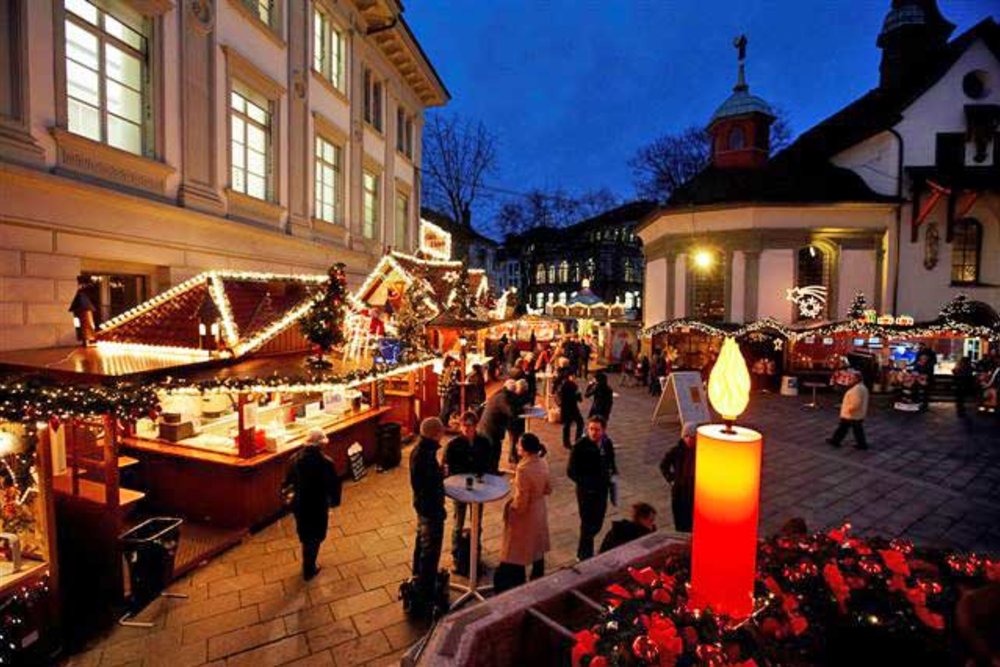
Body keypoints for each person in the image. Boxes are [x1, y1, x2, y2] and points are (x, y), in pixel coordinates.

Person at [494, 433, 551, 593]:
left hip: (526, 515)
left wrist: (510, 509)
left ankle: (511, 583)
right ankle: (537, 578)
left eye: (519, 445)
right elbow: (548, 488)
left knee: (515, 551)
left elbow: (521, 502)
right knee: (537, 548)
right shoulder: (543, 462)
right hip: (539, 509)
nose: (517, 447)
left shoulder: (523, 469)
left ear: (525, 449)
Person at [283, 428, 341, 580]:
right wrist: (335, 501)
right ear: (321, 445)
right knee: (316, 534)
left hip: (300, 503)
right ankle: (309, 567)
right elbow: (333, 484)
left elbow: (287, 482)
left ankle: (307, 563)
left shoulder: (294, 459)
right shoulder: (326, 462)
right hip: (318, 504)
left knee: (305, 533)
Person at [444, 412, 491, 570]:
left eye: (469, 426)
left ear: (475, 426)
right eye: (464, 426)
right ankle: (457, 555)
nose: (466, 429)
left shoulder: (483, 442)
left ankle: (475, 553)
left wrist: (482, 474)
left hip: (478, 487)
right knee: (458, 522)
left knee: (477, 522)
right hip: (460, 489)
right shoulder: (453, 445)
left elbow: (488, 463)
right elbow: (447, 467)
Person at [567, 415, 617, 561]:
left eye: (597, 429)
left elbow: (611, 464)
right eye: (591, 429)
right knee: (587, 524)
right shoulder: (580, 446)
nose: (594, 432)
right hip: (586, 492)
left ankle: (584, 551)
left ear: (604, 430)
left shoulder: (607, 444)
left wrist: (612, 486)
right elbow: (571, 471)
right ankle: (584, 555)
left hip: (601, 490)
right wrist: (586, 483)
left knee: (598, 522)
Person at [410, 417, 447, 609]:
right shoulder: (425, 456)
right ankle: (425, 592)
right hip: (430, 510)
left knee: (422, 545)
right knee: (430, 550)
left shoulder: (421, 451)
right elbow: (429, 485)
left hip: (423, 507)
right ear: (435, 434)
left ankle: (418, 579)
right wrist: (440, 475)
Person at [659, 422, 697, 532]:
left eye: (694, 437)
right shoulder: (676, 451)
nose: (692, 440)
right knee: (680, 518)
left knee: (691, 519)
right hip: (680, 489)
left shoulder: (700, 450)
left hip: (693, 489)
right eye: (690, 437)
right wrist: (671, 479)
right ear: (684, 436)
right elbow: (664, 465)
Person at [479, 380, 515, 473]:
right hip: (491, 427)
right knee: (494, 450)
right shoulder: (503, 397)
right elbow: (510, 411)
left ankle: (492, 470)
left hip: (489, 426)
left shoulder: (499, 395)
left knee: (494, 449)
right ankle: (491, 471)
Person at [827, 372, 870, 450]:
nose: (850, 379)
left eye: (852, 378)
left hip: (852, 414)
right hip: (856, 414)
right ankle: (836, 440)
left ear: (857, 379)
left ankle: (836, 441)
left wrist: (849, 409)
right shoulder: (861, 387)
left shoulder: (857, 389)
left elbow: (856, 403)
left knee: (845, 428)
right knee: (853, 429)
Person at [559, 370, 584, 449]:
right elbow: (579, 399)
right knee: (580, 423)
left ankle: (566, 442)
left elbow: (558, 397)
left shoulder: (562, 385)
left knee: (567, 425)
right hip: (573, 407)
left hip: (565, 408)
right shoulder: (573, 385)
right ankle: (577, 440)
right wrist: (579, 392)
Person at [507, 379, 530, 466]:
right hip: (513, 422)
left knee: (515, 439)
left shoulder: (518, 395)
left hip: (517, 421)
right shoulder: (514, 396)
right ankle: (512, 457)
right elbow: (514, 409)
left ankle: (515, 456)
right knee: (513, 439)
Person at [438, 356, 460, 428]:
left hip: (443, 392)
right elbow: (448, 382)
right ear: (449, 362)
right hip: (447, 392)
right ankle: (442, 424)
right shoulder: (449, 370)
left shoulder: (444, 370)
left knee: (446, 408)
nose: (454, 362)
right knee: (446, 409)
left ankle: (444, 424)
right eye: (452, 361)